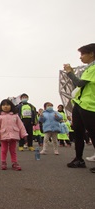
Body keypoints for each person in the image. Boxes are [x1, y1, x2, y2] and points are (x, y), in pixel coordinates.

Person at [63, 43, 95, 173]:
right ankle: (79, 159)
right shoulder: (88, 68)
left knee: (93, 132)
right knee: (78, 131)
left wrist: (70, 73)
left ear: (92, 53)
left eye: (83, 54)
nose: (81, 57)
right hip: (80, 103)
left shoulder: (93, 68)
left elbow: (79, 83)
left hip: (90, 104)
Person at [0, 99, 27, 171]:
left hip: (13, 135)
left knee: (13, 150)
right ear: (1, 107)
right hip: (3, 135)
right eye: (3, 105)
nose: (5, 106)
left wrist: (24, 134)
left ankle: (14, 162)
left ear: (11, 106)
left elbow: (21, 125)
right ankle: (3, 162)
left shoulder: (15, 116)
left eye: (8, 105)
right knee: (4, 150)